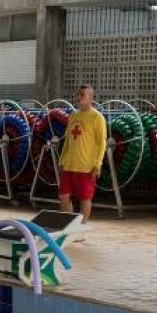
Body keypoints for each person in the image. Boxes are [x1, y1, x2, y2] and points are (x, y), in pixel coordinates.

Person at [57, 86, 106, 225]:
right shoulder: (73, 116)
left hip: (86, 167)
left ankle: (81, 227)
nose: (79, 97)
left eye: (82, 94)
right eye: (78, 94)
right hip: (69, 165)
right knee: (63, 196)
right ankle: (69, 226)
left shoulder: (97, 118)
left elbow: (101, 143)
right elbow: (67, 141)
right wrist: (62, 160)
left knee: (85, 198)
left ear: (91, 98)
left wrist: (97, 164)